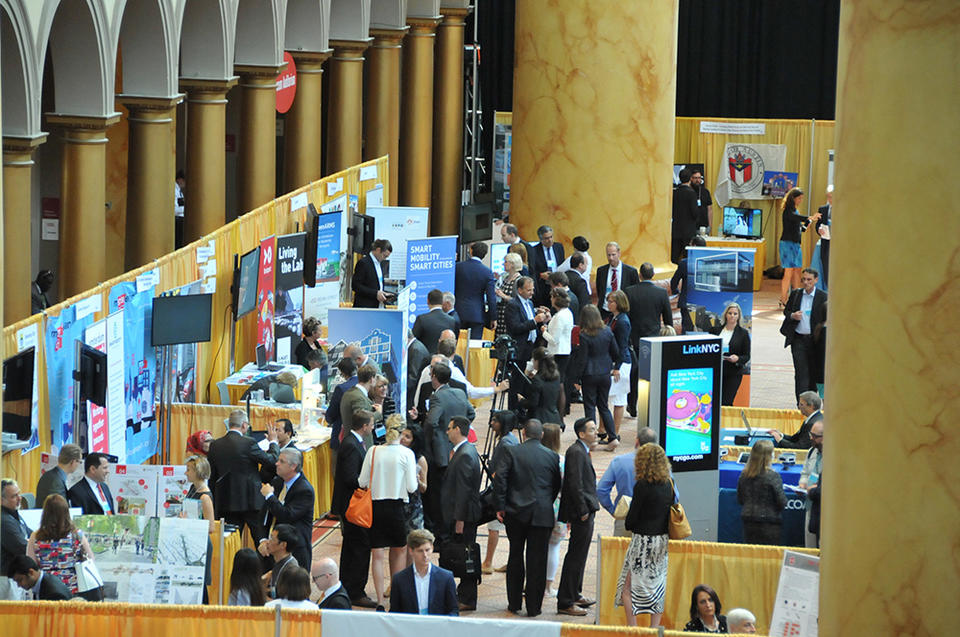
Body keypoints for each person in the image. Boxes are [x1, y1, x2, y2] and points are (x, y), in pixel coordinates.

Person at [494, 420, 562, 618]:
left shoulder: (512, 452)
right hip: (541, 513)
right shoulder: (551, 456)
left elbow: (501, 479)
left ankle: (514, 602)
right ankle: (534, 606)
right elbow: (555, 485)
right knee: (537, 561)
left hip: (515, 513)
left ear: (523, 433)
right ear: (541, 435)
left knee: (515, 555)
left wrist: (500, 506)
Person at [358, 414, 419, 610]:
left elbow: (362, 482)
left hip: (375, 507)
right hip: (396, 507)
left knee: (377, 554)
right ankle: (396, 597)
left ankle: (380, 601)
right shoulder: (406, 454)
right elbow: (411, 487)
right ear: (402, 432)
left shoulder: (373, 451)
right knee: (399, 551)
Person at [616, 443, 674, 627]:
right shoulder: (669, 484)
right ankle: (654, 629)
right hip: (661, 541)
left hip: (642, 542)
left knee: (628, 587)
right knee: (657, 586)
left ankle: (632, 628)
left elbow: (631, 520)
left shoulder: (642, 486)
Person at [207, 410, 280, 543]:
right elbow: (272, 460)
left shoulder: (215, 445)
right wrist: (273, 442)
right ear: (244, 425)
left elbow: (212, 477)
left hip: (226, 502)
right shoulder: (249, 443)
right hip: (251, 501)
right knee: (261, 541)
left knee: (230, 543)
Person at [422, 363, 475, 538]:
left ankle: (441, 534)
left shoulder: (437, 397)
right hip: (457, 449)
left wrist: (432, 439)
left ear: (434, 377)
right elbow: (471, 413)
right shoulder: (459, 392)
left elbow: (432, 422)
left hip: (439, 454)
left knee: (438, 496)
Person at [331, 410, 377, 608]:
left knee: (352, 547)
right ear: (364, 426)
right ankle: (355, 591)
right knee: (358, 548)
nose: (373, 427)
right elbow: (351, 477)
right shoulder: (351, 445)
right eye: (372, 424)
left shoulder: (353, 442)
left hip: (350, 504)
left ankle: (348, 586)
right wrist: (367, 481)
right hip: (353, 505)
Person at [556, 418, 600, 617]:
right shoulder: (575, 452)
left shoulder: (582, 451)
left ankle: (575, 593)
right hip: (581, 512)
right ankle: (565, 600)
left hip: (586, 511)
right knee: (575, 555)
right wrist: (582, 510)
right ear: (581, 433)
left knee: (581, 555)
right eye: (592, 429)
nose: (596, 432)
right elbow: (574, 483)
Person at [440, 415, 482, 611]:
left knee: (466, 557)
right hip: (462, 514)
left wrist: (460, 520)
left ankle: (467, 598)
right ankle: (464, 594)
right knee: (465, 555)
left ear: (458, 429)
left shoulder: (465, 454)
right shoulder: (465, 451)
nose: (447, 431)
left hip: (463, 517)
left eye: (449, 428)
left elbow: (464, 491)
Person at [26, 494, 98, 600]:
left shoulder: (35, 537)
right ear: (66, 512)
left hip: (46, 588)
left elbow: (31, 564)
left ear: (45, 513)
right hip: (72, 588)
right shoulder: (76, 535)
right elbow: (91, 559)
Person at [624, 262, 673, 417]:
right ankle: (651, 406)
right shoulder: (661, 293)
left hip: (634, 339)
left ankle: (632, 404)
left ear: (640, 275)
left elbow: (626, 316)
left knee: (634, 372)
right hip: (654, 340)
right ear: (653, 275)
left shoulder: (629, 291)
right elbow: (668, 318)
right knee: (652, 374)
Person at [569, 305, 621, 443]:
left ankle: (591, 439)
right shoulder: (608, 331)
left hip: (589, 374)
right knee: (604, 406)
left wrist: (576, 378)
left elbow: (583, 359)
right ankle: (613, 437)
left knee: (590, 406)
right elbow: (616, 353)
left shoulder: (584, 335)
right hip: (605, 373)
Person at [598, 427, 661, 537]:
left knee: (620, 552)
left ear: (637, 441)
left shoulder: (619, 462)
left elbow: (601, 489)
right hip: (653, 521)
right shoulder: (662, 465)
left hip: (625, 516)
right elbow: (674, 495)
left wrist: (613, 510)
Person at [260, 448, 315, 572]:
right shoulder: (277, 482)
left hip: (294, 552)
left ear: (293, 466)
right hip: (272, 549)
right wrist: (263, 540)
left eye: (281, 461)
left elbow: (286, 516)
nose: (276, 463)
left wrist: (269, 496)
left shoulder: (305, 490)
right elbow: (264, 515)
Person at [780, 268, 827, 400]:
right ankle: (801, 403)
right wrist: (792, 315)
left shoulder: (823, 297)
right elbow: (786, 312)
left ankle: (811, 403)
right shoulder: (796, 294)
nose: (806, 282)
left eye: (809, 280)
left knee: (814, 373)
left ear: (816, 280)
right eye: (804, 279)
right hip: (798, 340)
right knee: (801, 373)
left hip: (816, 341)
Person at [481, 410, 518, 575]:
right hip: (507, 490)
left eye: (495, 421)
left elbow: (503, 470)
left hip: (502, 492)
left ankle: (488, 562)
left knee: (493, 527)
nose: (491, 423)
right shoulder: (509, 439)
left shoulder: (505, 443)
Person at [389, 529, 459, 615]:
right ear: (411, 551)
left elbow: (453, 610)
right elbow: (394, 613)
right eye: (420, 551)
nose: (425, 555)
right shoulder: (399, 579)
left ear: (432, 548)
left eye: (427, 550)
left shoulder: (446, 577)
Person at [737, 439, 787, 545]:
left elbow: (740, 499)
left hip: (748, 521)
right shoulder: (773, 476)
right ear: (768, 456)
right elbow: (782, 502)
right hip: (770, 523)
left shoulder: (744, 475)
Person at [778, 187, 820, 306]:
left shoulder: (795, 211)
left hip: (796, 245)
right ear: (793, 198)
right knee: (788, 271)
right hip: (787, 244)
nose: (801, 200)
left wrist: (809, 221)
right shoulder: (788, 211)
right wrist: (810, 217)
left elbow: (801, 228)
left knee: (797, 270)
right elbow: (796, 218)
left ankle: (795, 296)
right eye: (799, 198)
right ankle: (783, 298)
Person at [182, 455, 215, 601]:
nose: (186, 473)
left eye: (188, 470)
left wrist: (188, 522)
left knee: (200, 585)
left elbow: (211, 526)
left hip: (200, 544)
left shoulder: (204, 497)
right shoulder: (192, 489)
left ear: (197, 471)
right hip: (190, 542)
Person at [539, 423, 565, 598]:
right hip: (558, 508)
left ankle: (534, 582)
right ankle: (548, 586)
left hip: (538, 507)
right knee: (554, 546)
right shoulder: (561, 460)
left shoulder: (537, 456)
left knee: (535, 546)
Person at [605, 290, 632, 446]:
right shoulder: (613, 318)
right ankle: (608, 430)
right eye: (608, 301)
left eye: (612, 301)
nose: (608, 303)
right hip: (614, 361)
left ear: (619, 303)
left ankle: (615, 432)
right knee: (610, 397)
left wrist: (617, 367)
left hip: (621, 364)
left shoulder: (622, 321)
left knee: (619, 399)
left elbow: (622, 346)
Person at [455, 242, 498, 338]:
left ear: (471, 251)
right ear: (484, 255)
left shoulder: (458, 267)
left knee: (457, 345)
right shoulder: (487, 272)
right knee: (474, 346)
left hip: (458, 312)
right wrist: (493, 318)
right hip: (477, 314)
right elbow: (491, 298)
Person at [711, 303, 751, 406]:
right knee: (714, 402)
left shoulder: (743, 333)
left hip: (733, 372)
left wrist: (737, 358)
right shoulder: (715, 331)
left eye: (735, 313)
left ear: (738, 316)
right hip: (716, 371)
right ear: (725, 315)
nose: (732, 316)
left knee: (726, 402)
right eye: (730, 313)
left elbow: (746, 356)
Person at [543, 287, 574, 413]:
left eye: (552, 297)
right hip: (563, 351)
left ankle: (559, 412)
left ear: (556, 299)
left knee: (558, 384)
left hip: (558, 352)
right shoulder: (566, 312)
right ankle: (560, 412)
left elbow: (554, 339)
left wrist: (544, 332)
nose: (550, 299)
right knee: (560, 382)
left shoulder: (561, 316)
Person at [339, 364, 384, 449]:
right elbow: (362, 421)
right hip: (360, 446)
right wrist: (378, 413)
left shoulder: (350, 393)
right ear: (371, 379)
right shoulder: (358, 397)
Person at [671, 235, 707, 333]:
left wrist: (677, 292)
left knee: (687, 329)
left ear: (694, 246)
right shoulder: (708, 263)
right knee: (702, 329)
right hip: (704, 302)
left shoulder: (684, 263)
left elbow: (674, 281)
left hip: (687, 302)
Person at [519, 348, 563, 426]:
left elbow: (533, 403)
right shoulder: (556, 376)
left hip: (539, 420)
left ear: (537, 361)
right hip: (554, 418)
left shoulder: (537, 379)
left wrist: (522, 401)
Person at [399, 424, 429, 539]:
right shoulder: (397, 454)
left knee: (415, 541)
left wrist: (418, 481)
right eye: (402, 434)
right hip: (398, 503)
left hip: (413, 507)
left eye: (407, 437)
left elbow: (424, 488)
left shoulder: (420, 460)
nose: (402, 438)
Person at [799, 419, 824, 548]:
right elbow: (805, 473)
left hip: (824, 508)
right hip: (810, 504)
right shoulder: (811, 452)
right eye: (811, 434)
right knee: (810, 543)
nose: (811, 438)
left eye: (815, 436)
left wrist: (814, 489)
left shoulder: (835, 456)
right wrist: (802, 484)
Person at [2, 480, 32, 585]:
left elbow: (31, 535)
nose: (20, 498)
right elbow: (23, 547)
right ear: (1, 500)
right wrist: (30, 542)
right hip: (7, 579)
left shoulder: (14, 514)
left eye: (19, 494)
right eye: (14, 496)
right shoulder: (4, 521)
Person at [259, 524, 301, 600]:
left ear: (283, 545)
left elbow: (285, 603)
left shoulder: (291, 570)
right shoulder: (279, 561)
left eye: (272, 539)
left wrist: (259, 596)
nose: (267, 542)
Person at [596, 242, 639, 314]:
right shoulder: (601, 271)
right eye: (608, 255)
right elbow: (599, 290)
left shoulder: (631, 272)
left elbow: (635, 293)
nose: (611, 258)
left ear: (619, 253)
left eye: (613, 255)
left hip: (622, 312)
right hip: (604, 311)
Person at [326, 357, 358, 454]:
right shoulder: (365, 384)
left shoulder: (341, 388)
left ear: (342, 372)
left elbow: (332, 413)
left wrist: (328, 418)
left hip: (342, 434)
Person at [35, 443, 82, 508]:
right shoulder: (57, 482)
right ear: (73, 462)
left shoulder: (49, 474)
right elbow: (59, 510)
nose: (79, 464)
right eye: (79, 462)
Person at [7, 555, 72, 600]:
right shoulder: (43, 582)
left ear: (31, 572)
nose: (19, 585)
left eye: (20, 580)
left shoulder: (53, 594)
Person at [413, 289, 457, 355]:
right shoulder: (451, 320)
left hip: (424, 359)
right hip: (444, 358)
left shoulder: (422, 319)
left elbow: (414, 340)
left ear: (428, 301)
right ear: (442, 302)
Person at [352, 238, 394, 308]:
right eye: (384, 256)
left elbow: (377, 285)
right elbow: (355, 286)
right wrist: (375, 294)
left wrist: (384, 294)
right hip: (366, 307)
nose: (385, 259)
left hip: (378, 306)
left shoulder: (379, 264)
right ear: (378, 250)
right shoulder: (364, 263)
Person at [530, 225, 565, 306]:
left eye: (551, 237)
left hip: (558, 284)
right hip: (544, 286)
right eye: (546, 238)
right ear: (540, 239)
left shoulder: (559, 247)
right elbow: (532, 270)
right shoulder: (534, 250)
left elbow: (562, 263)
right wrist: (540, 275)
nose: (550, 240)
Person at [672, 168, 700, 264]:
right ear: (690, 179)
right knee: (687, 258)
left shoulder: (674, 193)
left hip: (675, 230)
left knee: (674, 257)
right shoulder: (692, 194)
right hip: (688, 231)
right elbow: (695, 213)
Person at [495, 252, 524, 339]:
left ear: (512, 264)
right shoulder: (505, 277)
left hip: (509, 316)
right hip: (501, 315)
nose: (503, 264)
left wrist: (503, 295)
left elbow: (519, 301)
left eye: (506, 262)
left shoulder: (519, 280)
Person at [406, 330, 431, 410]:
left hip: (414, 394)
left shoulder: (416, 350)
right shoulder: (415, 346)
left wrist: (401, 390)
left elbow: (413, 377)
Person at [814, 185, 833, 290]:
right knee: (826, 269)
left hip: (838, 245)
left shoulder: (843, 209)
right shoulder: (823, 209)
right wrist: (819, 230)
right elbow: (818, 224)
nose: (830, 199)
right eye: (829, 197)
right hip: (825, 244)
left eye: (832, 197)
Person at [563, 253, 591, 320]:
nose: (587, 266)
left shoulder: (563, 276)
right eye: (586, 264)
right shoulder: (580, 281)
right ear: (580, 265)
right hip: (576, 319)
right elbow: (584, 304)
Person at [690, 169, 713, 235]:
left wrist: (710, 226)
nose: (698, 180)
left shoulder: (705, 192)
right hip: (691, 226)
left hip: (703, 227)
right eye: (695, 178)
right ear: (691, 179)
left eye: (699, 178)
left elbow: (710, 209)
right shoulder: (689, 191)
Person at [174, 170, 186, 248]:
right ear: (180, 180)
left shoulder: (179, 191)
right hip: (177, 221)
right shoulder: (174, 190)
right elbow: (174, 210)